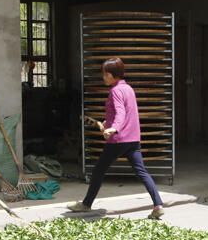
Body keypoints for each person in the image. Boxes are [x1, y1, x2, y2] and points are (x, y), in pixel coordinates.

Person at [68, 57, 165, 219]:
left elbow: (121, 113)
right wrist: (108, 122)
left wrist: (114, 128)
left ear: (114, 75)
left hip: (118, 140)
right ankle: (158, 205)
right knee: (141, 172)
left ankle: (86, 205)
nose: (103, 77)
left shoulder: (115, 91)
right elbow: (125, 112)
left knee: (99, 171)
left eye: (106, 74)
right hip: (133, 140)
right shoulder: (128, 89)